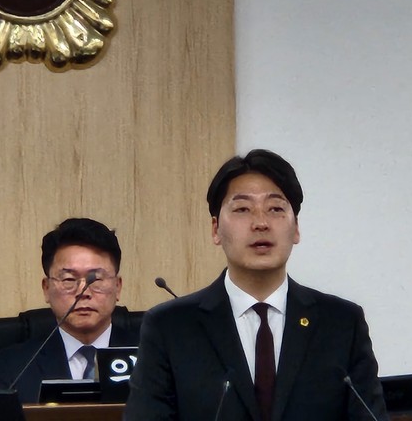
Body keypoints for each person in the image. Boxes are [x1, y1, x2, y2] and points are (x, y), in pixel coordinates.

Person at [125, 149, 389, 421]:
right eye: (242, 209)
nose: (261, 223)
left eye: (275, 209)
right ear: (215, 229)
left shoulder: (342, 324)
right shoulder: (170, 327)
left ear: (296, 228)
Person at [0, 217, 137, 403]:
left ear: (118, 287)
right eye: (68, 279)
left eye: (96, 279)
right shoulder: (13, 366)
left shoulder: (153, 360)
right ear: (46, 289)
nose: (83, 292)